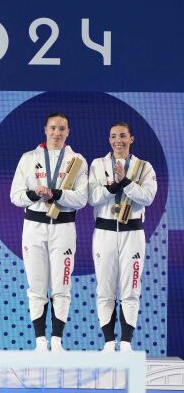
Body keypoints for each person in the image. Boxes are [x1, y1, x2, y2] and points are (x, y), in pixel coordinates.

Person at [9, 113, 88, 352]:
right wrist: (35, 194)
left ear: (68, 131)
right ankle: (40, 341)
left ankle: (57, 340)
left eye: (62, 128)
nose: (57, 133)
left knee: (62, 285)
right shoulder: (28, 158)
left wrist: (57, 194)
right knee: (36, 286)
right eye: (53, 128)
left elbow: (82, 199)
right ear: (45, 129)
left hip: (63, 229)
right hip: (34, 228)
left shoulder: (77, 161)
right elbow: (15, 196)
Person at [88, 122, 157, 352]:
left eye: (123, 136)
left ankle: (126, 342)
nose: (118, 140)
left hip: (133, 233)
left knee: (131, 288)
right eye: (113, 136)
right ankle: (108, 342)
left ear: (132, 139)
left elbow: (147, 197)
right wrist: (112, 185)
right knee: (105, 289)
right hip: (105, 232)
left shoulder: (144, 167)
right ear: (109, 140)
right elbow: (92, 197)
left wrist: (125, 182)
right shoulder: (98, 164)